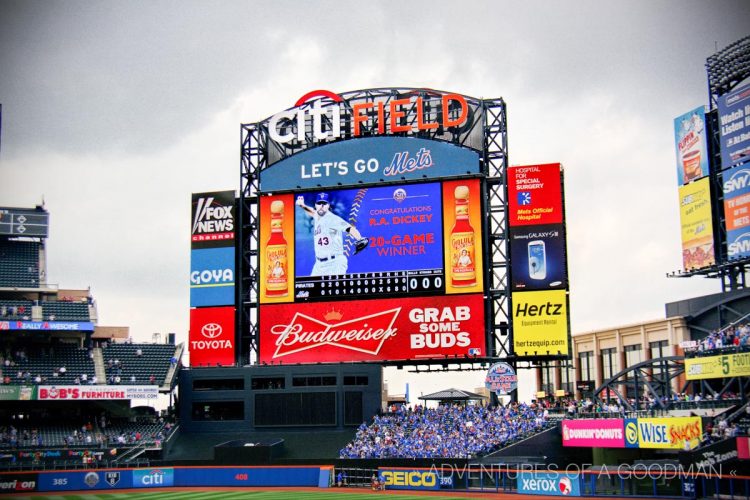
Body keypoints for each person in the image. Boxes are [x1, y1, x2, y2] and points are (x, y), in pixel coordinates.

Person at [296, 192, 364, 276]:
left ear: (328, 205)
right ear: (316, 205)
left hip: (335, 263)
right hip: (319, 265)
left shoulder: (333, 219)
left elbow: (350, 228)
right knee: (312, 288)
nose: (321, 206)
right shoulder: (317, 216)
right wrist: (302, 205)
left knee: (335, 288)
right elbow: (312, 212)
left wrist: (360, 239)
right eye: (319, 203)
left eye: (324, 203)